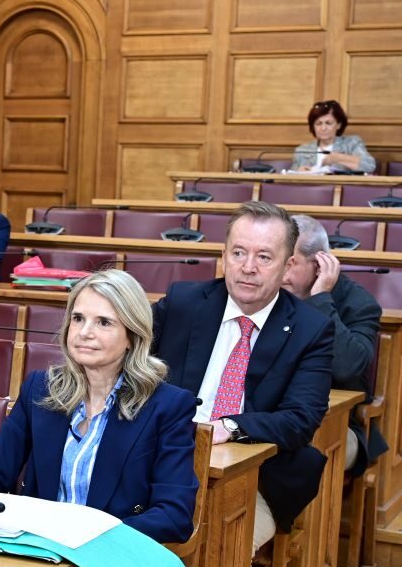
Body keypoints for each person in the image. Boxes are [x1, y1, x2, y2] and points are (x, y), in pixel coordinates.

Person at [0, 270, 198, 543]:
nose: (85, 333)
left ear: (132, 336)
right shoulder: (40, 389)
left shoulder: (168, 406)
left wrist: (92, 538)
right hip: (35, 546)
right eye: (78, 319)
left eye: (103, 322)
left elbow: (174, 516)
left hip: (109, 551)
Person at [151, 201, 334, 552]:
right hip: (162, 461)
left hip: (258, 475)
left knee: (216, 549)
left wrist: (230, 426)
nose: (248, 267)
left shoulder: (310, 329)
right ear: (223, 256)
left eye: (264, 257)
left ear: (287, 266)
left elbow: (301, 419)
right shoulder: (182, 303)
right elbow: (126, 357)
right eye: (238, 253)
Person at [283, 215, 385, 477]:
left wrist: (320, 298)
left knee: (301, 456)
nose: (279, 273)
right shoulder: (267, 293)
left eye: (290, 264)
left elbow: (347, 368)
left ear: (320, 265)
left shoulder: (358, 303)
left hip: (337, 422)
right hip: (275, 412)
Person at [291, 100, 375, 174]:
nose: (323, 128)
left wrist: (339, 158)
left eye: (328, 123)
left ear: (339, 125)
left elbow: (369, 166)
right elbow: (290, 177)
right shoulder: (302, 150)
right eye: (318, 124)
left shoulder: (352, 144)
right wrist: (298, 172)